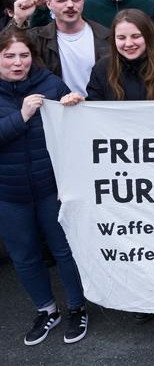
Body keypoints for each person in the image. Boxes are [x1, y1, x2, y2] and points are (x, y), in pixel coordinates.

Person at [0, 29, 89, 345]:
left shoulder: (49, 84)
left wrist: (74, 104)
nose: (17, 62)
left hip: (52, 188)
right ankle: (46, 310)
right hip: (9, 194)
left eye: (23, 55)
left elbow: (78, 126)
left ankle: (78, 307)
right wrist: (21, 116)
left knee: (65, 250)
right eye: (9, 56)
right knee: (24, 256)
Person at [25, 0, 109, 95]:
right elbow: (5, 51)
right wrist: (18, 18)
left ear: (83, 0)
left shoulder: (107, 36)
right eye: (62, 0)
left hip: (98, 108)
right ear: (48, 4)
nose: (70, 5)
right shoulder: (36, 38)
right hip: (56, 108)